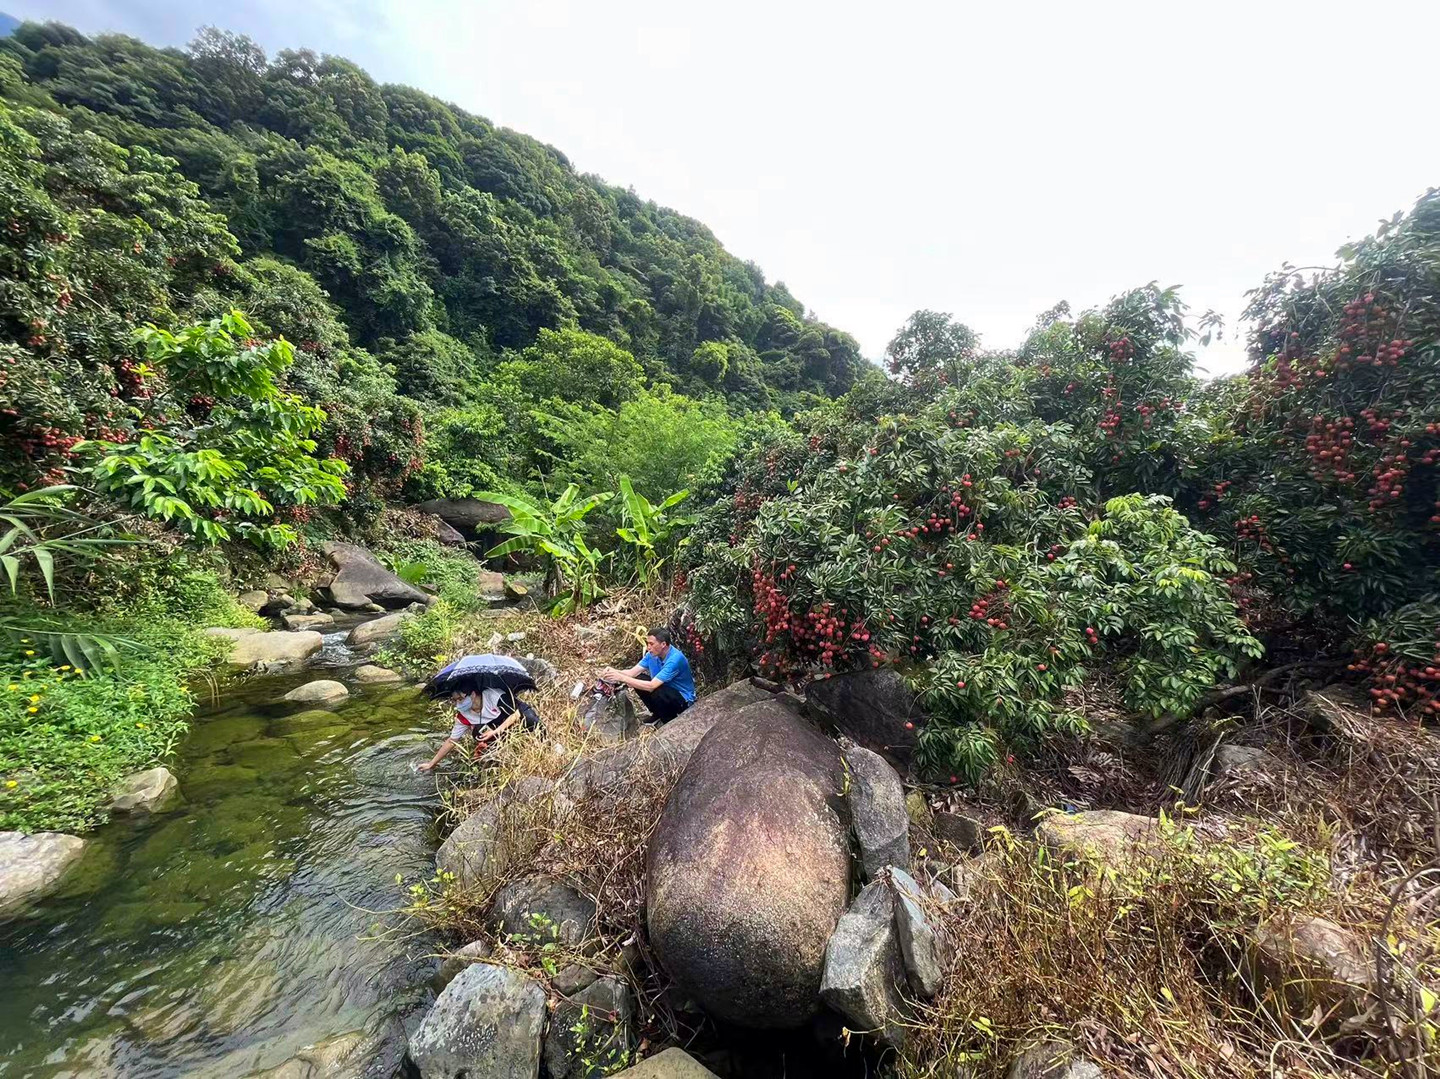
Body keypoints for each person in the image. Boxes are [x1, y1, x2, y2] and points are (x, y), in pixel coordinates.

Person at [417, 685, 539, 772]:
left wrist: (497, 731)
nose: (458, 703)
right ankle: (498, 748)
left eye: (460, 699)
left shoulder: (493, 695)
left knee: (530, 720)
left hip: (514, 714)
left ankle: (540, 742)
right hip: (494, 724)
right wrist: (432, 763)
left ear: (473, 694)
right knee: (478, 732)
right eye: (455, 701)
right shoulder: (464, 714)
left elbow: (515, 714)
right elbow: (452, 741)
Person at [598, 626, 696, 723]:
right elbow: (632, 673)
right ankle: (657, 713)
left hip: (682, 699)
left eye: (651, 644)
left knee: (657, 691)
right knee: (639, 678)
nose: (648, 647)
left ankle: (669, 721)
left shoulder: (675, 659)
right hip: (663, 689)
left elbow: (652, 686)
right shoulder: (652, 655)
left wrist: (621, 678)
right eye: (647, 643)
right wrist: (614, 672)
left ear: (663, 644)